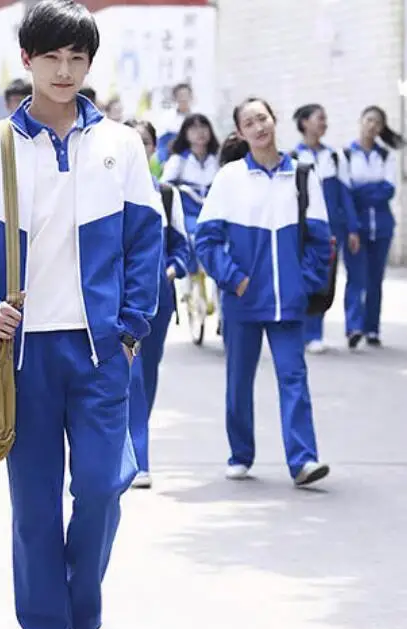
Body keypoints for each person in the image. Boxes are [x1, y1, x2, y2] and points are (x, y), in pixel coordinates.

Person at [0, 0, 162, 629]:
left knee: (102, 486)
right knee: (34, 506)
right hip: (22, 358)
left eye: (76, 58)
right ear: (27, 61)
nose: (63, 70)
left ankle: (83, 625)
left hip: (99, 354)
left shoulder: (121, 146)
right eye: (51, 57)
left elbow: (143, 245)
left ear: (88, 64)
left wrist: (130, 329)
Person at [194, 97, 331, 487]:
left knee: (294, 378)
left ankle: (303, 460)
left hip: (289, 301)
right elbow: (206, 240)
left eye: (263, 118)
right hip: (242, 301)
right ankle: (240, 453)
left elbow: (321, 240)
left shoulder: (304, 175)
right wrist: (234, 280)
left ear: (274, 121)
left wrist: (303, 284)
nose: (259, 126)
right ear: (240, 132)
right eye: (249, 122)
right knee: (239, 382)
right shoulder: (230, 178)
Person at [126, 120, 189, 489]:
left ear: (152, 149)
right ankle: (138, 458)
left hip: (159, 298)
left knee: (146, 375)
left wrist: (169, 271)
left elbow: (182, 248)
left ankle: (135, 441)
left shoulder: (165, 194)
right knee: (130, 376)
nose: (138, 147)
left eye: (145, 142)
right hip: (119, 298)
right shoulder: (105, 190)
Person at [291, 104, 360, 353]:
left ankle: (315, 332)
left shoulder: (335, 157)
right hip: (301, 229)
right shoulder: (292, 158)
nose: (324, 123)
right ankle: (298, 331)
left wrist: (352, 229)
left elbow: (345, 194)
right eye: (320, 118)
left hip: (330, 229)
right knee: (301, 277)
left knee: (324, 280)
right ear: (304, 122)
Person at [344, 105, 401, 348]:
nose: (372, 126)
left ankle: (372, 328)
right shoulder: (346, 155)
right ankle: (354, 326)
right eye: (368, 120)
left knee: (376, 279)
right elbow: (346, 192)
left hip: (383, 227)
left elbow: (388, 190)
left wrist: (361, 190)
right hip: (356, 226)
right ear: (360, 121)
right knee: (356, 276)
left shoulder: (387, 156)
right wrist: (368, 190)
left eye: (377, 122)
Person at [161, 113, 220, 266]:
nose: (200, 132)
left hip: (214, 217)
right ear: (185, 133)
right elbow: (164, 190)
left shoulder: (217, 159)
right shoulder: (178, 161)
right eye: (194, 128)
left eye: (203, 126)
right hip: (188, 220)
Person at [156, 81, 192, 163]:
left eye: (186, 95)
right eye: (181, 96)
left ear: (191, 97)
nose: (184, 99)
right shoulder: (167, 118)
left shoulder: (197, 118)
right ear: (175, 98)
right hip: (171, 159)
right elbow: (161, 143)